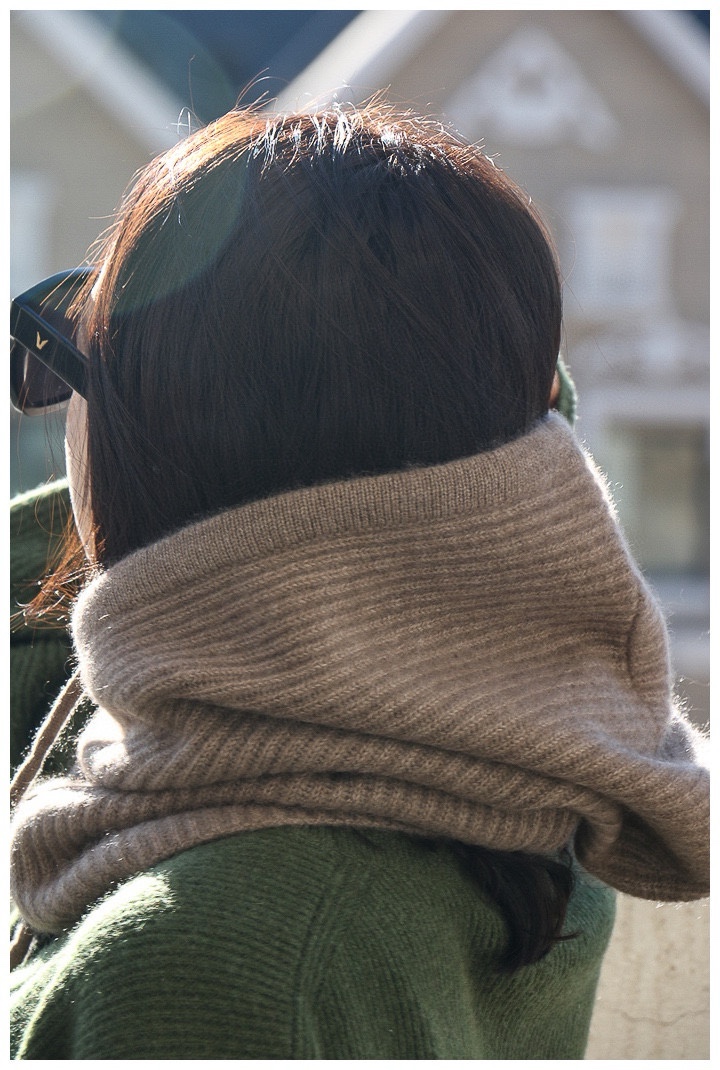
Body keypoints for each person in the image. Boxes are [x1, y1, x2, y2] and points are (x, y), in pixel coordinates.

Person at [9, 103, 708, 1060]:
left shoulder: (212, 964)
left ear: (175, 439)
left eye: (71, 359)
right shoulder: (526, 748)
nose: (60, 419)